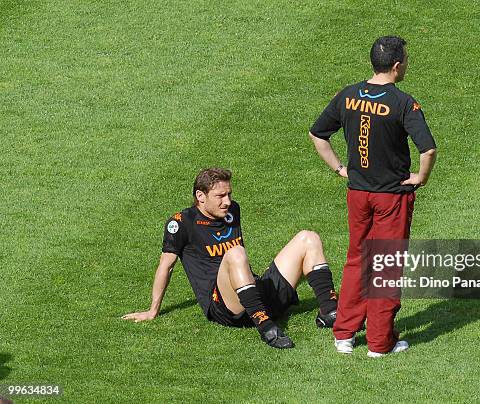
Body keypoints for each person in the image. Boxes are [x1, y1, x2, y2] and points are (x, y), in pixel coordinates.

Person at [309, 36, 437, 357]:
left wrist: (340, 168)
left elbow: (317, 134)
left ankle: (345, 335)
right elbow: (428, 149)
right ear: (396, 66)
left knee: (357, 261)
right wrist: (421, 177)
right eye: (406, 60)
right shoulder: (404, 103)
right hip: (391, 199)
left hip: (358, 195)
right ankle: (380, 343)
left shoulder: (348, 95)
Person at [122, 168, 338, 349]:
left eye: (229, 194)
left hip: (253, 291)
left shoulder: (233, 210)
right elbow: (166, 266)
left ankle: (330, 311)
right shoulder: (181, 223)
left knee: (309, 238)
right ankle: (265, 327)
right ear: (200, 196)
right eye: (220, 196)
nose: (227, 201)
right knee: (235, 252)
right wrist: (153, 310)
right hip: (225, 306)